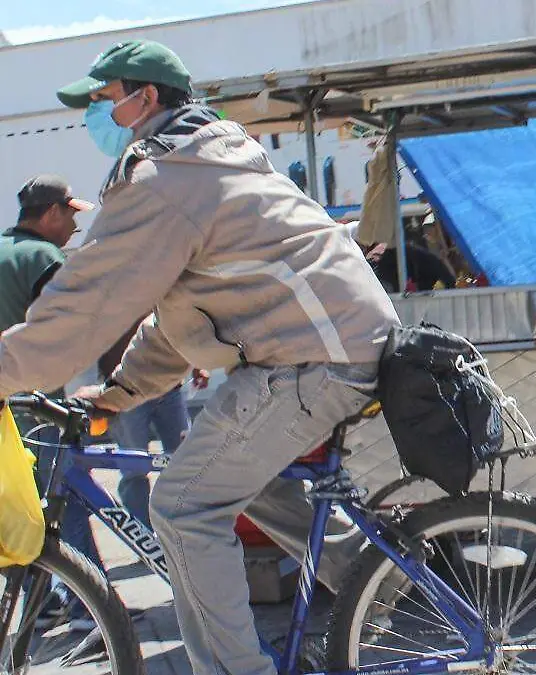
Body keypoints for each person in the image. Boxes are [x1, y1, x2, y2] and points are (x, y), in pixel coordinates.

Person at [0, 40, 400, 675]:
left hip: (312, 355)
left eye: (105, 102)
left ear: (145, 98)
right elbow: (180, 316)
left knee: (182, 506)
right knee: (246, 483)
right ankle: (384, 583)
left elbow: (87, 303)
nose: (98, 119)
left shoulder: (166, 178)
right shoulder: (208, 158)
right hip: (327, 344)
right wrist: (119, 394)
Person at [1, 175, 104, 630]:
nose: (73, 230)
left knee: (16, 514)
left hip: (5, 410)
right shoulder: (45, 257)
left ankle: (37, 606)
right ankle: (89, 609)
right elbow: (64, 325)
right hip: (39, 407)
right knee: (66, 502)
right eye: (71, 218)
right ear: (50, 213)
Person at [98, 320, 210, 530]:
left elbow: (174, 322)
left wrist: (196, 365)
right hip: (125, 389)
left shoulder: (156, 289)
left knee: (186, 463)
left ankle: (187, 529)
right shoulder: (108, 291)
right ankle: (146, 538)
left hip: (168, 388)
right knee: (133, 469)